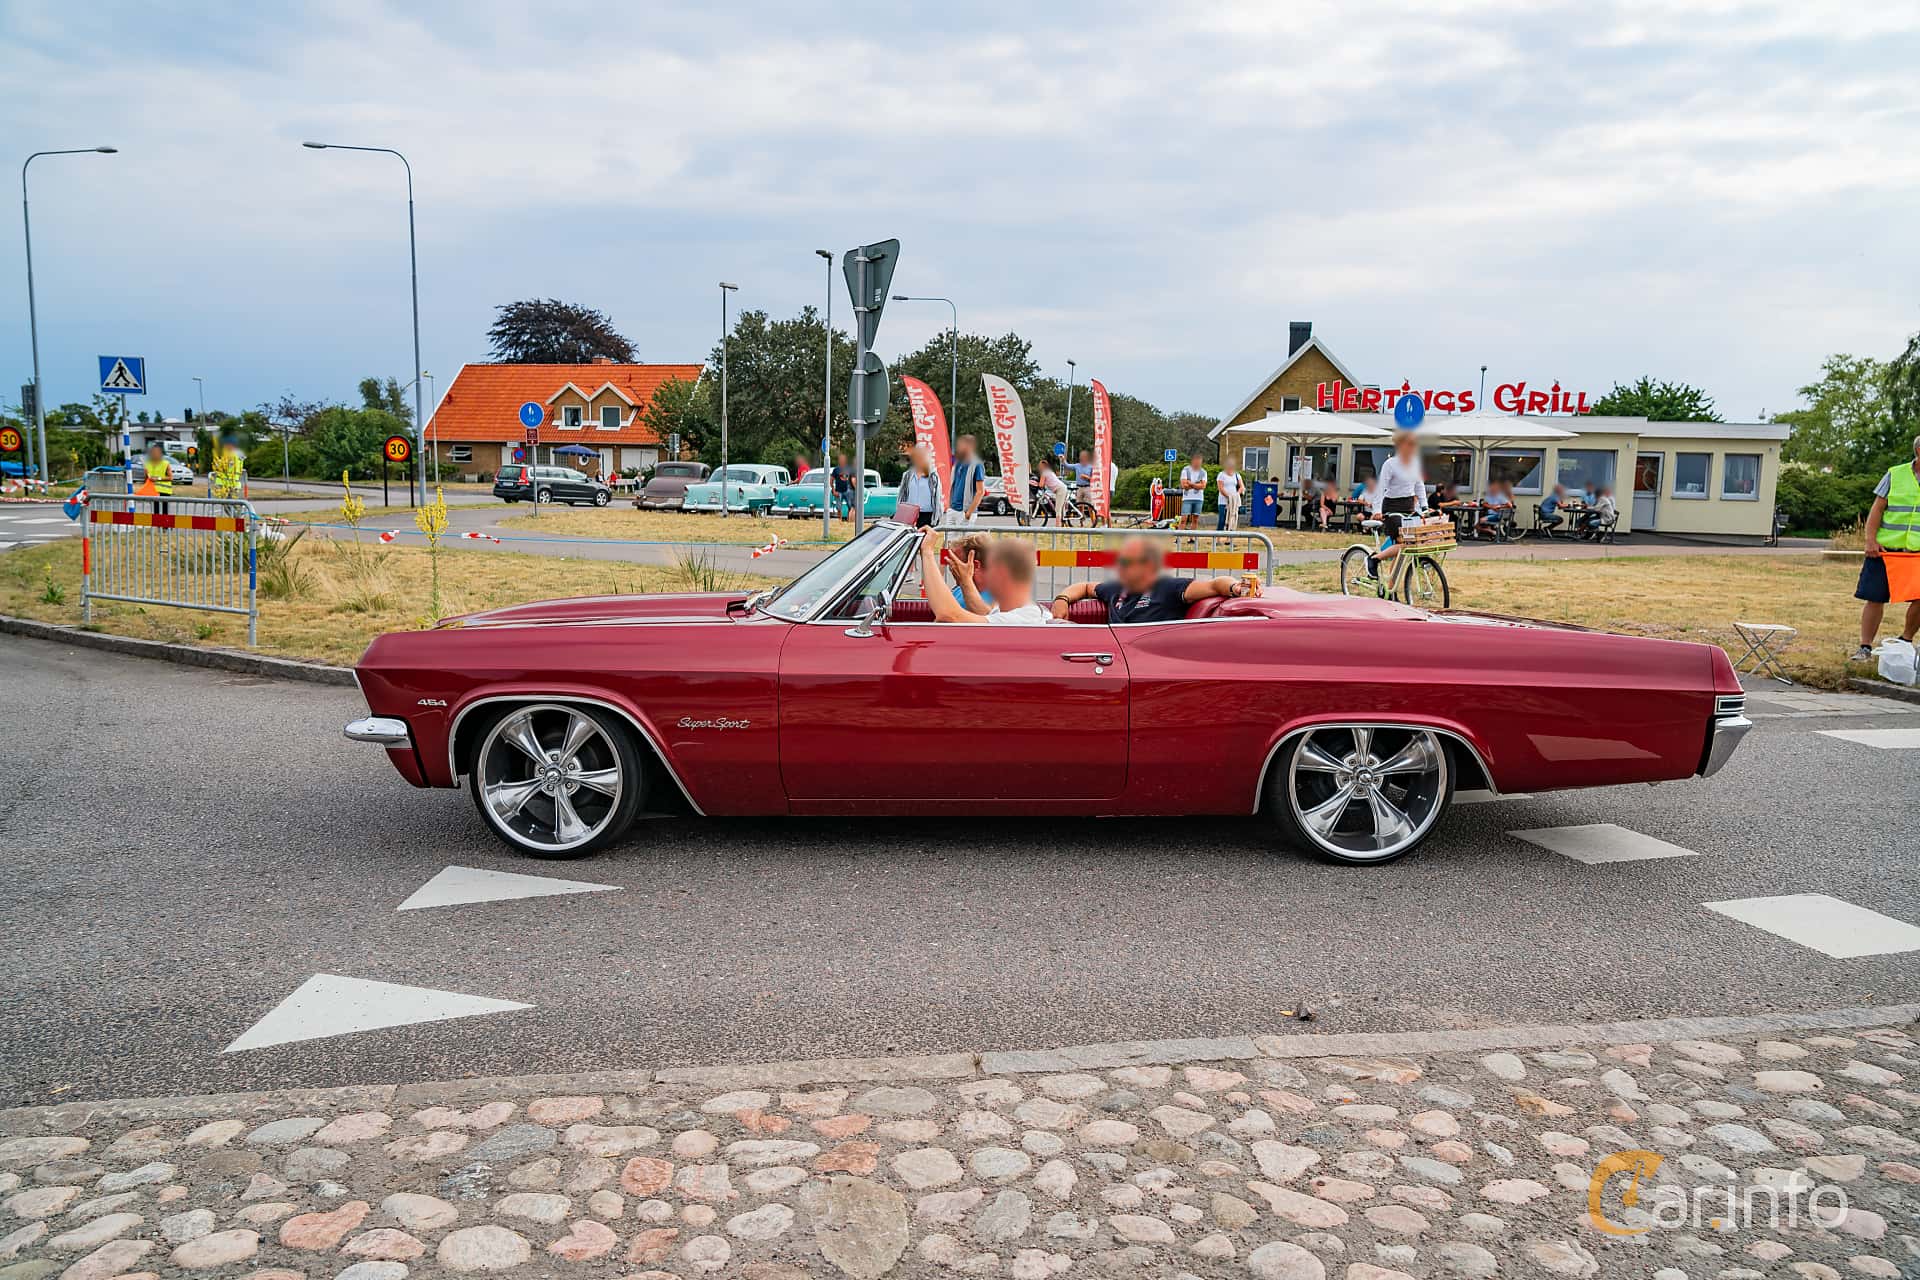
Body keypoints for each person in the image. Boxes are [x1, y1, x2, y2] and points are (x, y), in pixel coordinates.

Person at [1050, 536, 1253, 623]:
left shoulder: (1167, 587)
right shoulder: (1117, 588)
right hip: (1115, 650)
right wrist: (1062, 600)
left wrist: (1236, 587)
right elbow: (1085, 587)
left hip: (1145, 655)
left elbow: (1215, 584)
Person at [1854, 434, 1920, 661]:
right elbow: (1877, 508)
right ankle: (1865, 647)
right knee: (1875, 597)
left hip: (1916, 553)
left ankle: (1905, 640)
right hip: (1886, 550)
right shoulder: (1895, 474)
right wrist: (1870, 540)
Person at [918, 528, 1049, 625]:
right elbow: (984, 613)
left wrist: (927, 552)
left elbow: (949, 616)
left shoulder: (1024, 618)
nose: (952, 567)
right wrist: (965, 581)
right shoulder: (1004, 610)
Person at [1367, 429, 1425, 576]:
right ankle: (1374, 559)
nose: (1413, 447)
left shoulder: (1415, 463)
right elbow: (1381, 488)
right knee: (1404, 543)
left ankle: (1392, 584)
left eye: (1414, 444)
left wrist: (1425, 508)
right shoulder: (1390, 464)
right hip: (1392, 507)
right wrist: (1377, 510)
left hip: (1409, 506)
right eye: (1410, 444)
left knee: (1413, 544)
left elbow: (1419, 486)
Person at [944, 532, 994, 609]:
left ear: (975, 565)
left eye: (956, 562)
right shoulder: (958, 591)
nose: (951, 568)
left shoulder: (997, 599)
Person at [896, 445, 944, 527]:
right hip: (909, 515)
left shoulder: (933, 476)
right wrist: (899, 513)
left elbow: (937, 498)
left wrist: (936, 518)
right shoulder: (907, 475)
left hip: (927, 516)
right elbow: (901, 496)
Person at [946, 434, 987, 526]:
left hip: (964, 512)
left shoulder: (977, 464)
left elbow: (980, 491)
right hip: (952, 510)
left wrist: (969, 513)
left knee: (964, 536)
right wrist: (949, 506)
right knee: (948, 536)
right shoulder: (957, 463)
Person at [1178, 452, 1208, 529]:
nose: (1198, 463)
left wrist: (1190, 483)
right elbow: (1184, 486)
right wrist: (1197, 485)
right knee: (1183, 519)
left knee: (1195, 520)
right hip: (1187, 498)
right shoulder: (1185, 470)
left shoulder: (1203, 472)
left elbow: (1203, 486)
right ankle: (1179, 535)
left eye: (1199, 462)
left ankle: (1192, 536)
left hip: (1199, 498)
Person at [141, 442, 173, 514]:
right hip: (154, 490)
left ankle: (165, 521)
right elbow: (145, 479)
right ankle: (157, 521)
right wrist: (146, 476)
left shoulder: (165, 463)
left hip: (165, 490)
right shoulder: (148, 464)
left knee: (165, 511)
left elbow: (170, 478)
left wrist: (158, 478)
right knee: (156, 511)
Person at [1215, 455, 1245, 531]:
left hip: (1233, 502)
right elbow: (1221, 488)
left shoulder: (1237, 475)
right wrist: (1229, 497)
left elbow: (1242, 487)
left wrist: (1236, 495)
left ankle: (1229, 536)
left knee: (1232, 519)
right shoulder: (1221, 475)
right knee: (1222, 520)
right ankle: (1218, 536)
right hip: (1223, 501)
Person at [830, 452, 856, 520]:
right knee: (839, 507)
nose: (842, 460)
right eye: (841, 459)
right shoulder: (836, 469)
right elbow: (831, 480)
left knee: (850, 507)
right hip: (838, 491)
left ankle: (848, 520)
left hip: (848, 491)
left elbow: (853, 479)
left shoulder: (849, 468)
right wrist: (833, 490)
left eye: (843, 459)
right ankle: (840, 520)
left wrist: (854, 488)